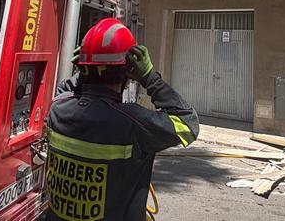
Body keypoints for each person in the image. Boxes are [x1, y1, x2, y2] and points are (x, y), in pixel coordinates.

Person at [44, 18, 199, 221]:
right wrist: (149, 77)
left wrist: (84, 70)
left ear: (82, 67)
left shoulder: (58, 108)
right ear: (127, 72)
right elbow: (188, 124)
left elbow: (66, 90)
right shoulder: (133, 122)